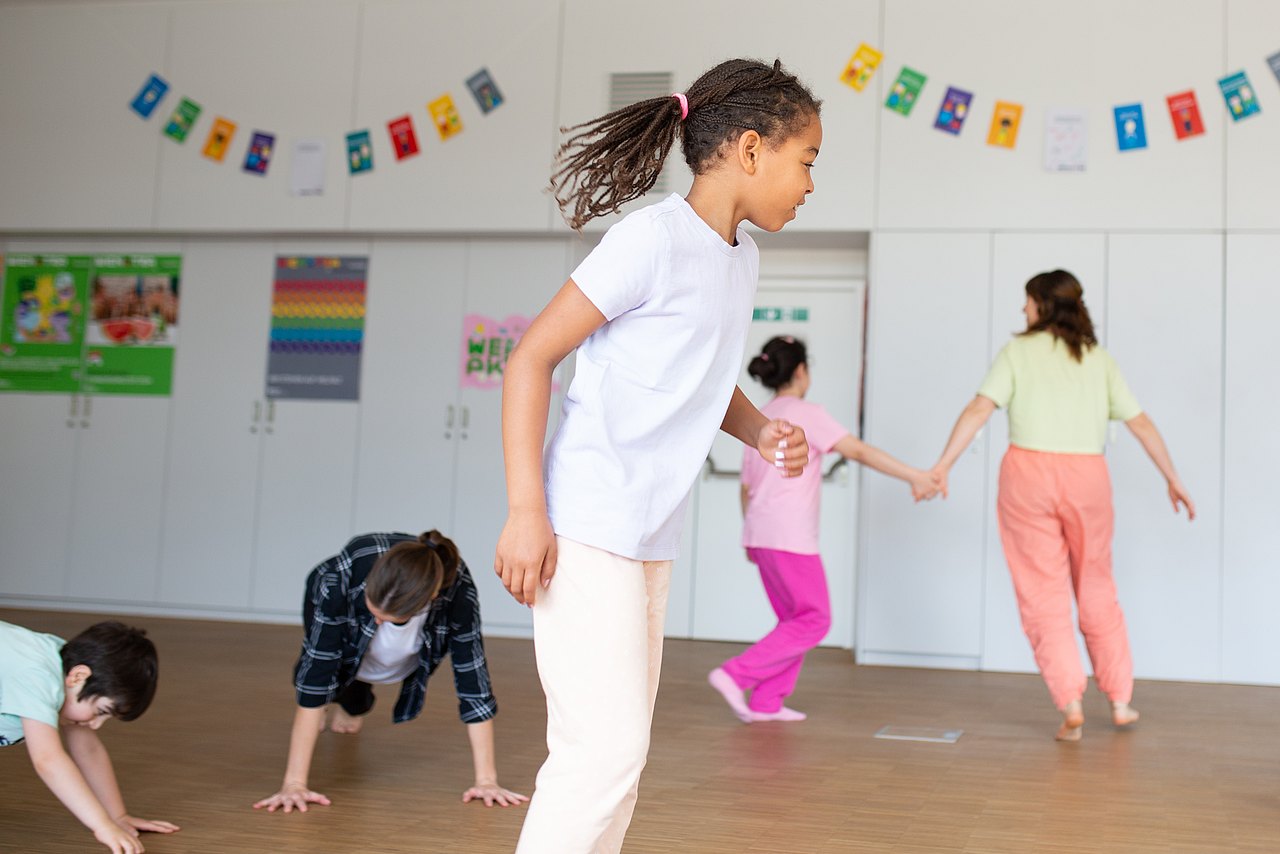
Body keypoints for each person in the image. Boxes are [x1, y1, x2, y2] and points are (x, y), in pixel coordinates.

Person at [495, 57, 821, 853]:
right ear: (751, 150)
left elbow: (702, 381)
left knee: (621, 761)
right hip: (586, 522)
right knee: (599, 755)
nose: (811, 183)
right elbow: (530, 359)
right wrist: (525, 511)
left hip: (649, 537)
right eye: (806, 161)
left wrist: (759, 430)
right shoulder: (649, 239)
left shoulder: (740, 259)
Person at [929, 270, 1195, 741]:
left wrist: (943, 465)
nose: (1022, 310)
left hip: (1026, 476)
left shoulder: (1017, 352)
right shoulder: (1098, 358)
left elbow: (978, 410)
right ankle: (1119, 701)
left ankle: (1070, 704)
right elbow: (1142, 423)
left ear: (1042, 306)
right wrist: (1172, 477)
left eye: (1027, 302)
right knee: (1096, 586)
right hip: (1088, 478)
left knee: (1041, 592)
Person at [709, 335, 940, 723]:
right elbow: (859, 451)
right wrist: (915, 476)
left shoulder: (760, 418)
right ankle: (735, 674)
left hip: (761, 535)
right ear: (801, 371)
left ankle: (767, 701)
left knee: (793, 620)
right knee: (815, 619)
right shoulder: (807, 413)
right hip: (791, 538)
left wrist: (750, 537)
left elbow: (746, 488)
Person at [253, 530, 526, 813]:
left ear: (429, 600)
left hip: (402, 637)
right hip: (326, 596)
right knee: (329, 667)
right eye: (372, 613)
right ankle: (338, 700)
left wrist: (487, 781)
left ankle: (354, 702)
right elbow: (315, 679)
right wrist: (294, 784)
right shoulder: (340, 577)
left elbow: (473, 682)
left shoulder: (457, 594)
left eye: (386, 618)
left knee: (364, 681)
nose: (376, 621)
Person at [0, 619, 177, 853]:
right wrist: (101, 826)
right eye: (101, 712)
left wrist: (117, 816)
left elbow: (88, 750)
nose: (95, 725)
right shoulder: (37, 676)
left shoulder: (68, 671)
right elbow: (48, 760)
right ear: (78, 677)